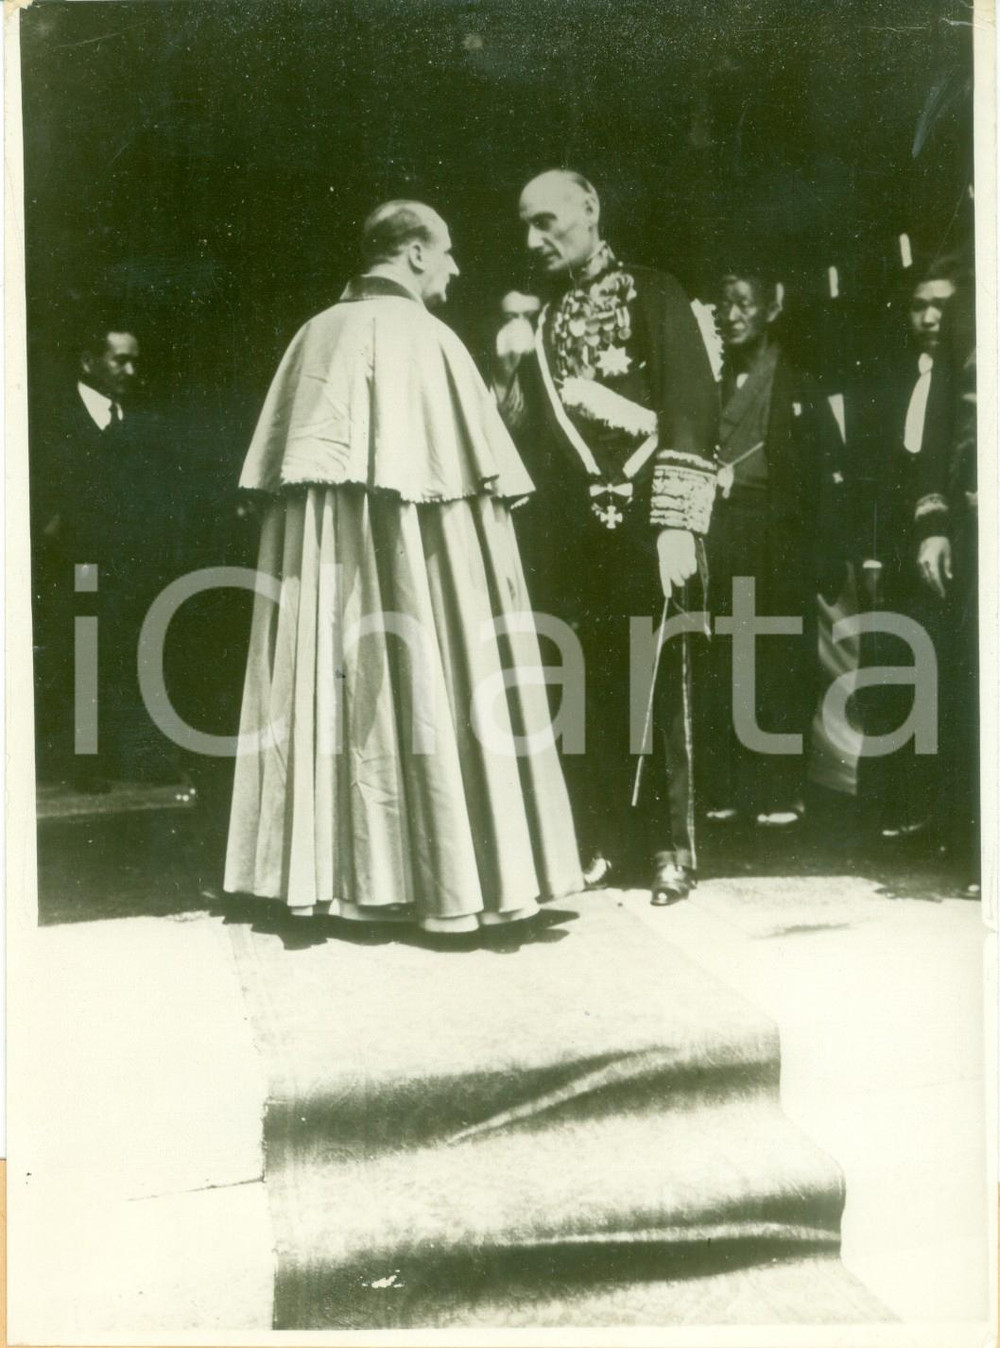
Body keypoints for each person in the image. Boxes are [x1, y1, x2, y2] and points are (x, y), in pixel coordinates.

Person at [224, 200, 583, 934]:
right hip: (420, 592)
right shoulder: (432, 340)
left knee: (332, 682)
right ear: (415, 253)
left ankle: (327, 877)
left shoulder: (313, 337)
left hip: (332, 588)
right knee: (434, 678)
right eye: (447, 252)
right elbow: (478, 510)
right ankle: (452, 877)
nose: (454, 268)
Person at [493, 169, 718, 904]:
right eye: (526, 227)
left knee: (658, 682)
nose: (535, 240)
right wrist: (509, 368)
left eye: (548, 221)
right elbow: (527, 435)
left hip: (652, 521)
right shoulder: (544, 317)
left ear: (591, 209)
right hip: (574, 533)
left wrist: (680, 520)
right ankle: (598, 839)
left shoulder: (655, 290)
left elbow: (688, 400)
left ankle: (669, 846)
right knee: (581, 687)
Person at [698, 267, 849, 827]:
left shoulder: (798, 383)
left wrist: (825, 553)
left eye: (743, 304)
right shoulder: (706, 382)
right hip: (721, 531)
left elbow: (827, 474)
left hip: (779, 537)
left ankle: (782, 787)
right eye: (723, 304)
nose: (731, 315)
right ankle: (729, 785)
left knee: (780, 659)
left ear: (770, 309)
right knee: (722, 660)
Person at [30, 322, 180, 790]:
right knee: (81, 658)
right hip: (71, 563)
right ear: (88, 361)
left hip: (127, 563)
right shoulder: (50, 418)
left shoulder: (134, 420)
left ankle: (135, 758)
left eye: (135, 361)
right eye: (121, 360)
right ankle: (84, 765)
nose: (131, 371)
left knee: (133, 654)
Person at [854, 259, 962, 840]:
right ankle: (898, 806)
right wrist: (873, 552)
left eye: (941, 306)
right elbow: (875, 468)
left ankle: (947, 813)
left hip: (949, 544)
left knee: (947, 670)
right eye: (920, 306)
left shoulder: (966, 381)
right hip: (898, 548)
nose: (929, 318)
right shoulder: (898, 377)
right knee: (897, 666)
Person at [912, 280, 979, 893]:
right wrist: (934, 526)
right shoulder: (965, 324)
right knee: (977, 680)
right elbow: (940, 429)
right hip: (977, 524)